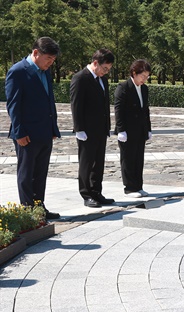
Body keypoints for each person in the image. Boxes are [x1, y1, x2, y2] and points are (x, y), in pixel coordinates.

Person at [5, 37, 61, 220]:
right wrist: (19, 132)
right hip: (27, 134)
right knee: (26, 174)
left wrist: (53, 128)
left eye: (53, 60)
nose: (50, 63)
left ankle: (39, 208)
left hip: (45, 132)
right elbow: (13, 105)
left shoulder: (45, 71)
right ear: (36, 53)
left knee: (41, 173)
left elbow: (48, 100)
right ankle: (28, 213)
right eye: (48, 59)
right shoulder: (18, 71)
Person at [70, 49, 115, 208]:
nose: (106, 72)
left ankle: (97, 191)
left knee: (99, 163)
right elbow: (76, 104)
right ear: (95, 63)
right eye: (105, 68)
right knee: (86, 163)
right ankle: (86, 194)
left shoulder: (103, 80)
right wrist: (79, 128)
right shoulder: (80, 78)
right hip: (86, 131)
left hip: (101, 129)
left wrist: (107, 126)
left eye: (108, 69)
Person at [114, 59, 152, 198]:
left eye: (147, 77)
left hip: (140, 130)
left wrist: (148, 128)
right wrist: (121, 129)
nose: (144, 79)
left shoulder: (144, 89)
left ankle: (138, 186)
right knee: (128, 159)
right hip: (127, 131)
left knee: (138, 159)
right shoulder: (123, 87)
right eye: (142, 76)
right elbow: (118, 110)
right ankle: (129, 188)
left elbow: (145, 110)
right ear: (134, 73)